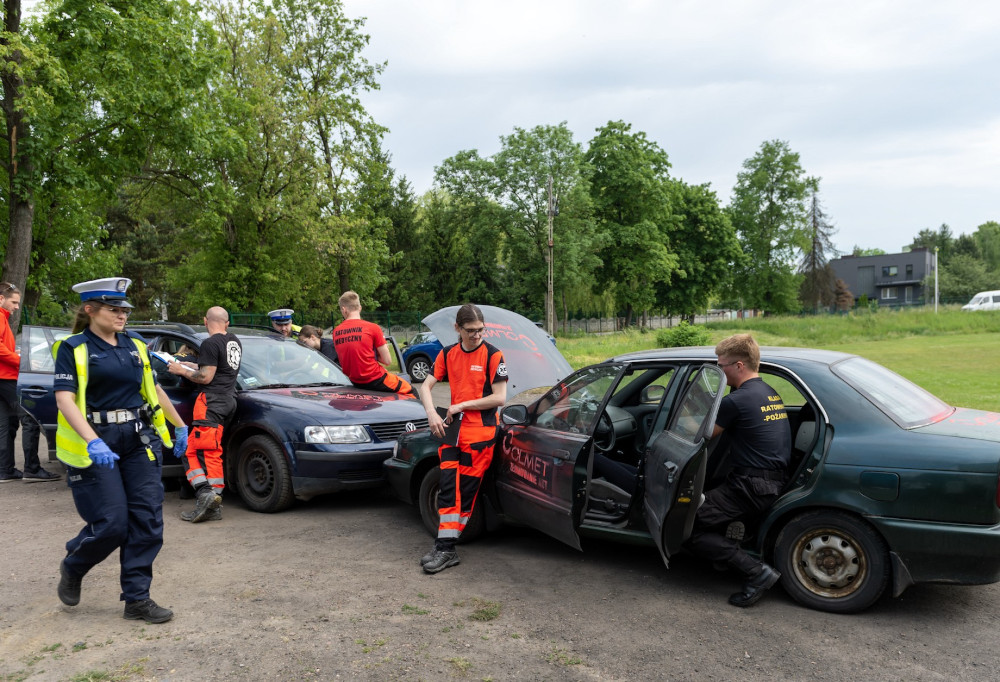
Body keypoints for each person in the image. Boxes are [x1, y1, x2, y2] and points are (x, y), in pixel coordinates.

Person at [53, 277, 188, 624]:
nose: (122, 315)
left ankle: (137, 599)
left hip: (138, 439)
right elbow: (65, 400)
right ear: (90, 309)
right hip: (97, 441)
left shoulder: (136, 344)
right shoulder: (73, 348)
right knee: (112, 523)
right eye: (113, 309)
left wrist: (179, 424)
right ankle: (74, 565)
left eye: (124, 309)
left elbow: (153, 388)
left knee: (147, 519)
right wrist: (92, 440)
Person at [685, 333, 791, 608]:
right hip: (769, 481)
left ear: (739, 365)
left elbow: (699, 436)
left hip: (749, 487)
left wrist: (682, 415)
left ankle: (757, 572)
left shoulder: (737, 400)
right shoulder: (769, 392)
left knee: (687, 524)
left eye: (721, 366)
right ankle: (723, 555)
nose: (719, 370)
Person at [416, 304, 507, 574]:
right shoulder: (448, 354)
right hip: (453, 431)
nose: (476, 335)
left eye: (480, 330)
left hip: (480, 434)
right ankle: (445, 546)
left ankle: (445, 548)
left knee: (464, 493)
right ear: (457, 328)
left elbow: (500, 398)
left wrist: (463, 405)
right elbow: (425, 386)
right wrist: (431, 413)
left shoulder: (493, 355)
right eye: (470, 331)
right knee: (447, 488)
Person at [168, 307, 242, 523]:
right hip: (227, 400)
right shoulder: (233, 341)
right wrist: (191, 364)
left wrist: (181, 371)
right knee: (194, 450)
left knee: (203, 452)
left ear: (205, 321)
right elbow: (218, 367)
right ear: (227, 323)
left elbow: (206, 377)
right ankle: (208, 498)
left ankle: (209, 500)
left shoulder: (210, 343)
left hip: (211, 403)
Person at [0, 280, 61, 482]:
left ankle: (5, 470)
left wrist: (15, 354)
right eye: (14, 302)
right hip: (7, 379)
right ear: (1, 299)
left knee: (6, 424)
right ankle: (32, 469)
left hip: (3, 379)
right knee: (30, 419)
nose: (17, 307)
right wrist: (21, 360)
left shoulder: (3, 318)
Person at [332, 291, 412, 395]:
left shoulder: (336, 332)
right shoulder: (373, 328)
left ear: (343, 309)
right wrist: (376, 353)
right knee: (410, 390)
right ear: (360, 308)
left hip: (354, 382)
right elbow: (387, 361)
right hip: (375, 379)